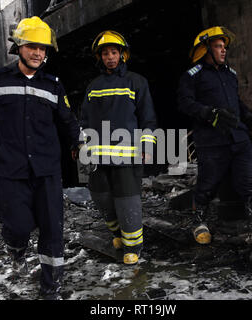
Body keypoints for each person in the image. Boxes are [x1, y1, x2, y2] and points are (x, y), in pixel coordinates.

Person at [0, 16, 80, 299]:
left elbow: (68, 120)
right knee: (17, 226)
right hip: (11, 169)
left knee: (52, 229)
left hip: (47, 169)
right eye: (32, 47)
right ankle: (15, 247)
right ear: (19, 47)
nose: (38, 53)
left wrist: (79, 142)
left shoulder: (54, 85)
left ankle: (50, 285)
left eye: (43, 49)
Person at [177, 26, 252, 250]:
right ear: (205, 49)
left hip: (239, 139)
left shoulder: (230, 74)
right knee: (207, 184)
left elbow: (236, 103)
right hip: (211, 141)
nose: (223, 51)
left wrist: (250, 119)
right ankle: (198, 222)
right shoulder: (192, 75)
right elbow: (184, 103)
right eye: (218, 47)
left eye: (224, 47)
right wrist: (210, 114)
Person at [79, 30, 157, 265]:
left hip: (128, 155)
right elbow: (84, 119)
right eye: (105, 53)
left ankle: (133, 246)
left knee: (126, 200)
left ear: (123, 55)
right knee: (101, 197)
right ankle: (117, 234)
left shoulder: (136, 81)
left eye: (114, 52)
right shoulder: (93, 86)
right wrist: (82, 144)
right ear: (100, 57)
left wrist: (148, 146)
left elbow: (148, 118)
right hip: (99, 157)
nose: (110, 57)